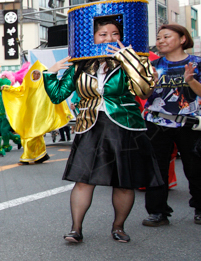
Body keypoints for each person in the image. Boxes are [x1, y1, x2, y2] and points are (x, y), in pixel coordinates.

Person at [44, 16, 162, 244]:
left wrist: (127, 58)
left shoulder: (135, 60)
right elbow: (58, 95)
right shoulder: (80, 65)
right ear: (93, 38)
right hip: (89, 126)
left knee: (124, 181)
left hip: (125, 126)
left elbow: (144, 90)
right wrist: (51, 73)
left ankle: (118, 227)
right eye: (103, 34)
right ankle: (75, 229)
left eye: (114, 33)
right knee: (83, 180)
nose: (109, 38)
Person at [142, 23, 201, 226]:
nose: (161, 41)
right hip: (156, 122)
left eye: (166, 36)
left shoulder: (196, 63)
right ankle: (158, 212)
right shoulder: (153, 65)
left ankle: (200, 208)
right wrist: (151, 84)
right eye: (159, 38)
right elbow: (143, 95)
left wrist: (191, 80)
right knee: (156, 168)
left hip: (190, 123)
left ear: (182, 39)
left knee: (196, 167)